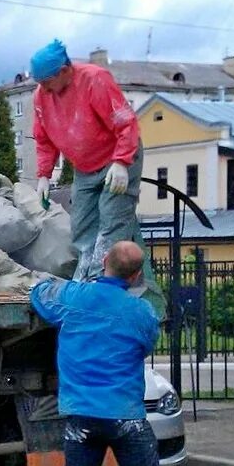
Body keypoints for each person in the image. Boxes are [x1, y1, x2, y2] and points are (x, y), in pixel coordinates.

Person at [30, 240, 210, 466]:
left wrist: (43, 286)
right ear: (137, 275)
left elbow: (39, 296)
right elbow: (144, 346)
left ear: (103, 265)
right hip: (127, 420)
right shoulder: (141, 312)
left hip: (81, 420)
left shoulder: (74, 297)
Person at [30, 39, 164, 316]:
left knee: (110, 225)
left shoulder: (94, 80)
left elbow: (126, 122)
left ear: (65, 70)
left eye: (47, 81)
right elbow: (44, 138)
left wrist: (122, 162)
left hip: (117, 158)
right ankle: (94, 280)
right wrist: (43, 175)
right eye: (40, 82)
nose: (43, 88)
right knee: (82, 227)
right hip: (85, 166)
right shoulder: (42, 96)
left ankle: (93, 289)